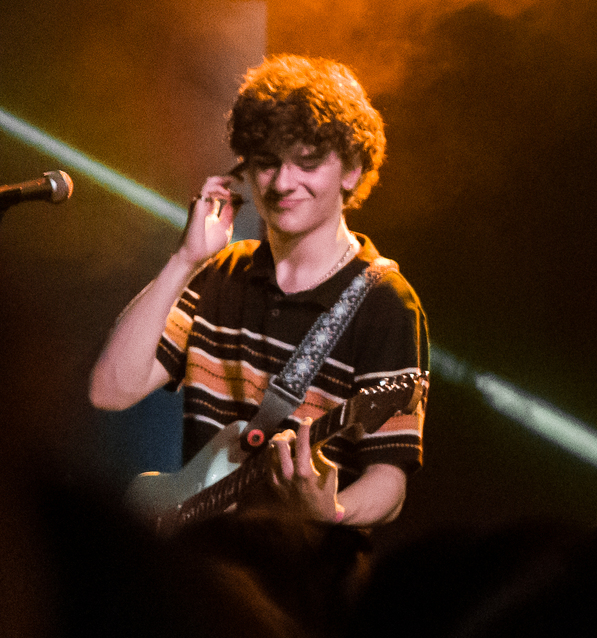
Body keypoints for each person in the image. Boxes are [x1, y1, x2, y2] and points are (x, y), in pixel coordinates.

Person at [88, 55, 426, 527]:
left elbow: (390, 481)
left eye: (307, 163)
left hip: (295, 579)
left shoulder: (384, 300)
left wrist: (332, 511)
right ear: (243, 172)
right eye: (267, 164)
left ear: (351, 170)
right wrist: (185, 260)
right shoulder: (219, 273)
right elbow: (110, 391)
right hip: (204, 568)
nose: (283, 183)